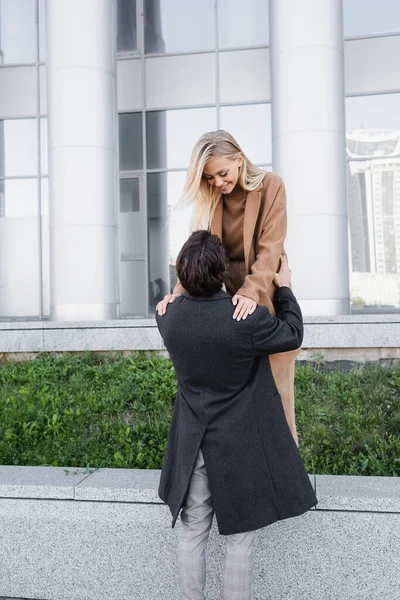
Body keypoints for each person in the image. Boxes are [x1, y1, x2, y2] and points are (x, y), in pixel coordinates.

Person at [156, 230, 318, 600]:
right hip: (239, 444)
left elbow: (173, 302)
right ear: (222, 271)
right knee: (240, 540)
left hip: (192, 442)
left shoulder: (167, 316)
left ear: (182, 273)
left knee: (193, 530)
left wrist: (173, 295)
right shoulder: (244, 320)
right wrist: (285, 288)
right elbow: (292, 333)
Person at [156, 130, 301, 447]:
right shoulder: (212, 198)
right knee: (236, 400)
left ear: (239, 159)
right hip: (224, 307)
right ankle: (241, 472)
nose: (218, 183)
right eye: (210, 178)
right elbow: (200, 250)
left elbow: (270, 247)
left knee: (276, 396)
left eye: (222, 173)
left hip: (262, 295)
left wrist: (251, 291)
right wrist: (178, 292)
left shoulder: (271, 185)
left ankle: (289, 476)